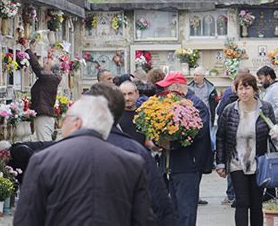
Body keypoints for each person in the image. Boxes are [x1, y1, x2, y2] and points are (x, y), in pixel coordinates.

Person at [10, 83, 176, 225]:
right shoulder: (133, 159)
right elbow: (154, 212)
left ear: (78, 121)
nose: (62, 125)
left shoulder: (44, 160)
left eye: (65, 118)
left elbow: (27, 219)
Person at [216, 73, 278, 226]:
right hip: (236, 162)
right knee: (242, 202)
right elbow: (221, 137)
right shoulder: (229, 110)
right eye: (240, 88)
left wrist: (276, 134)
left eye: (247, 88)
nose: (244, 92)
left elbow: (273, 132)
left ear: (254, 90)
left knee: (256, 203)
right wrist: (220, 163)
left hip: (258, 162)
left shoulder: (265, 108)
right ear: (236, 90)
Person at [155, 72, 212, 226]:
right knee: (174, 211)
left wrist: (170, 142)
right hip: (172, 166)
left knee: (185, 212)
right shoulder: (174, 103)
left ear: (177, 86)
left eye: (167, 87)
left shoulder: (196, 105)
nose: (165, 91)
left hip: (187, 166)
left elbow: (197, 135)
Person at [216, 67, 251, 206]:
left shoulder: (228, 96)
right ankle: (238, 195)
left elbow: (219, 112)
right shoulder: (232, 103)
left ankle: (232, 194)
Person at [26, 43, 62, 141]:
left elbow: (36, 67)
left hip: (43, 116)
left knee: (44, 142)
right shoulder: (49, 78)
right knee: (42, 140)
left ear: (51, 70)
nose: (43, 65)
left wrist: (28, 49)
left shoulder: (49, 78)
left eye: (46, 64)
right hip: (44, 114)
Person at [256, 66, 278, 131]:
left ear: (268, 77)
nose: (260, 81)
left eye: (261, 78)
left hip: (277, 127)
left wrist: (270, 121)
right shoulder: (271, 88)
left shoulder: (276, 89)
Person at [119, 81, 146, 146]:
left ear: (137, 94)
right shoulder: (115, 116)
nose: (127, 98)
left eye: (130, 94)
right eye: (123, 94)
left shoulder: (145, 113)